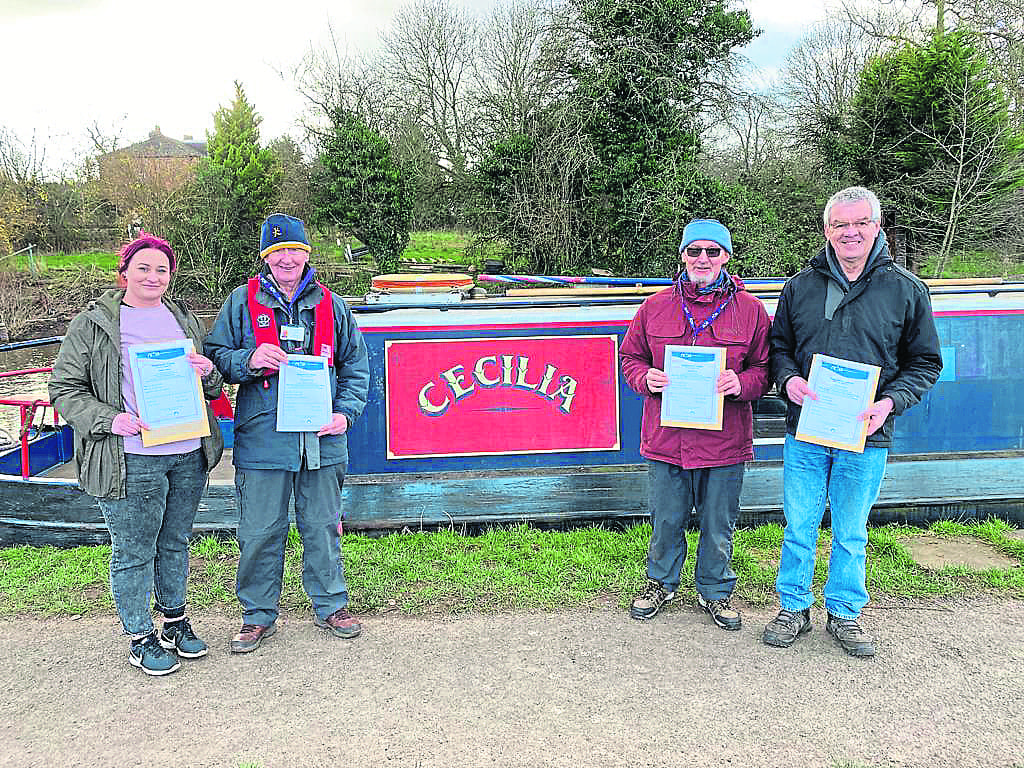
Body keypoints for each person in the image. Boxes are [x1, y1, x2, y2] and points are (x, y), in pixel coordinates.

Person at [762, 186, 942, 657]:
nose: (850, 232)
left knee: (850, 530)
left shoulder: (906, 289)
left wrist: (889, 403)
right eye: (840, 224)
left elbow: (925, 363)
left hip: (868, 433)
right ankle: (793, 608)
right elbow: (778, 349)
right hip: (805, 430)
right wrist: (787, 381)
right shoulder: (799, 286)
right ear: (826, 230)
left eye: (859, 222)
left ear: (876, 227)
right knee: (798, 525)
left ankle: (844, 614)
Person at [49, 233, 224, 676]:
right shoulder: (93, 325)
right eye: (143, 267)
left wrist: (208, 374)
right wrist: (111, 419)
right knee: (133, 550)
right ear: (124, 273)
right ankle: (140, 635)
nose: (153, 276)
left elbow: (208, 386)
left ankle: (174, 621)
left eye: (162, 269)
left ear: (172, 276)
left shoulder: (181, 316)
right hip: (131, 455)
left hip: (187, 451)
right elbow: (65, 390)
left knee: (176, 541)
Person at [205, 213, 369, 653]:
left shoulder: (333, 306)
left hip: (323, 438)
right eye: (277, 252)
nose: (287, 259)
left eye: (294, 250)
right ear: (265, 258)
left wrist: (345, 415)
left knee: (323, 528)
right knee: (259, 531)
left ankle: (331, 604)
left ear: (307, 255)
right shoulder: (241, 301)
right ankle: (258, 616)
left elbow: (356, 367)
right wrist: (250, 359)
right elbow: (215, 355)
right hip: (263, 441)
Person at [620, 219, 771, 630]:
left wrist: (741, 383)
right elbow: (629, 358)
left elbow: (764, 370)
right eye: (694, 250)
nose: (703, 258)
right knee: (666, 519)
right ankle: (660, 584)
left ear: (727, 256)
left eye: (712, 251)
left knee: (718, 523)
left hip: (724, 442)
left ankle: (716, 591)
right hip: (667, 439)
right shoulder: (654, 306)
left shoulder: (752, 310)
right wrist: (643, 379)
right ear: (682, 255)